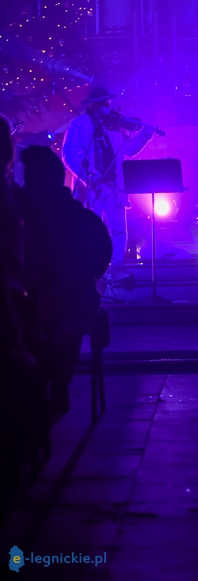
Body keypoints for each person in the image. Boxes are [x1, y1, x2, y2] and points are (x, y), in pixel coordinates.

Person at [18, 145, 112, 414]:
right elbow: (102, 259)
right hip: (76, 305)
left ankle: (34, 391)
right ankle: (58, 388)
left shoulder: (19, 219)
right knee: (71, 310)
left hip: (36, 309)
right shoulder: (86, 221)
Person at [62, 87, 154, 281]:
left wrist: (144, 135)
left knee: (118, 228)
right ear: (94, 105)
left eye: (108, 103)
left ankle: (117, 268)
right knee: (90, 228)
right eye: (103, 103)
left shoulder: (115, 124)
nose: (107, 107)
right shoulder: (79, 124)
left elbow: (129, 150)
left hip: (114, 185)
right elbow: (68, 154)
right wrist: (86, 175)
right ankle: (93, 269)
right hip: (91, 187)